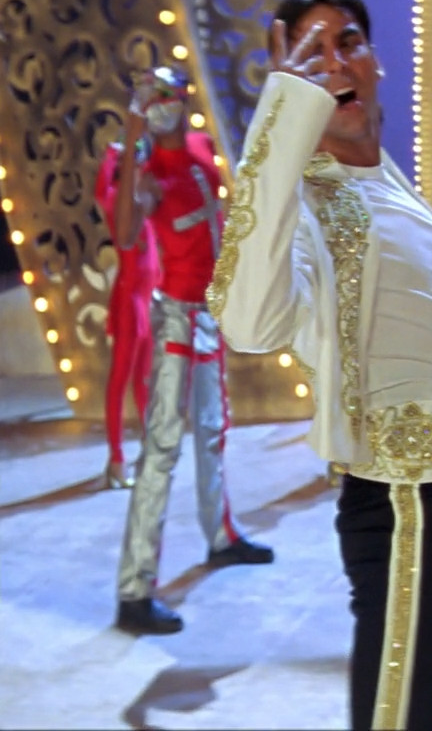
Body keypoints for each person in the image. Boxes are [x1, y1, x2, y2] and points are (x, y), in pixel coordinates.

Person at [215, 0, 432, 729]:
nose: (336, 63)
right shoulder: (307, 200)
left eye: (348, 42)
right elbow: (248, 322)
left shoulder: (387, 182)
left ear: (375, 60)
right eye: (311, 55)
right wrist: (281, 121)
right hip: (406, 500)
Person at [111, 65, 274, 637]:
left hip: (209, 315)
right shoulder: (149, 176)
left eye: (164, 94)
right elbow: (126, 233)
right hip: (176, 320)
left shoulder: (203, 149)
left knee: (211, 428)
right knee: (160, 449)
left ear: (182, 98)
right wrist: (133, 138)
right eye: (148, 98)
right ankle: (134, 590)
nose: (158, 104)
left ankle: (221, 535)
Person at [94, 129, 161, 490]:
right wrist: (111, 153)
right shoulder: (117, 199)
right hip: (130, 301)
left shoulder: (144, 196)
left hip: (149, 298)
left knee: (144, 379)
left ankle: (149, 449)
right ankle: (116, 461)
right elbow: (99, 191)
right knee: (120, 379)